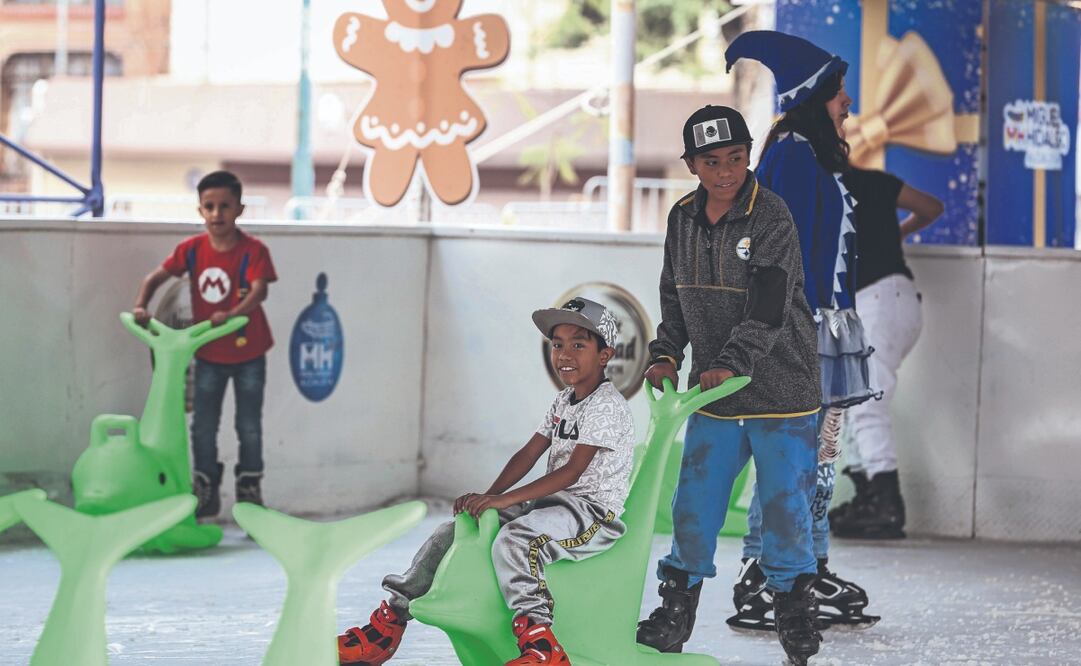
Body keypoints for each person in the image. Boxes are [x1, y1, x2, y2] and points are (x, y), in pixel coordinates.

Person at [337, 298, 635, 666]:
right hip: (552, 504)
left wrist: (504, 502)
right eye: (557, 344)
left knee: (517, 540)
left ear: (605, 355)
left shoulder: (607, 404)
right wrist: (489, 498)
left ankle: (543, 646)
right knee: (450, 532)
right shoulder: (563, 401)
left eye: (578, 344)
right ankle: (386, 627)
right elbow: (528, 454)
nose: (564, 354)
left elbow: (571, 472)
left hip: (591, 513)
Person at [634, 104, 824, 664]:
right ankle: (676, 609)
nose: (725, 172)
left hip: (781, 389)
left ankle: (793, 609)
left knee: (784, 506)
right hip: (715, 396)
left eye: (736, 158)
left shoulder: (771, 215)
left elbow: (769, 305)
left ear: (748, 157)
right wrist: (666, 353)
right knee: (693, 503)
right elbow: (674, 296)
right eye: (712, 161)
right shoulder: (682, 218)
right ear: (691, 165)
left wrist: (732, 361)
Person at [724, 30, 881, 633]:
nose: (849, 103)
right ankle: (765, 573)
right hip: (797, 330)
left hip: (825, 329)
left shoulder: (809, 153)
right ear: (817, 95)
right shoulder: (791, 153)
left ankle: (807, 566)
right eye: (841, 92)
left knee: (817, 458)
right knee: (789, 458)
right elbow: (773, 253)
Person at [132, 170, 278, 518]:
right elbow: (154, 278)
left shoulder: (253, 251)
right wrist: (141, 306)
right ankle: (205, 485)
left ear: (239, 209)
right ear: (200, 211)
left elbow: (259, 291)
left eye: (225, 206)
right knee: (203, 425)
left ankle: (249, 488)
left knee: (248, 425)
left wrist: (232, 314)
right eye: (209, 206)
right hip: (209, 354)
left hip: (248, 353)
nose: (217, 214)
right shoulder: (192, 251)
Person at [828, 168, 944, 539]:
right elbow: (931, 207)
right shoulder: (874, 181)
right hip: (897, 299)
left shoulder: (821, 188)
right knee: (851, 400)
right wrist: (900, 231)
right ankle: (868, 497)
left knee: (864, 402)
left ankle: (885, 501)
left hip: (877, 300)